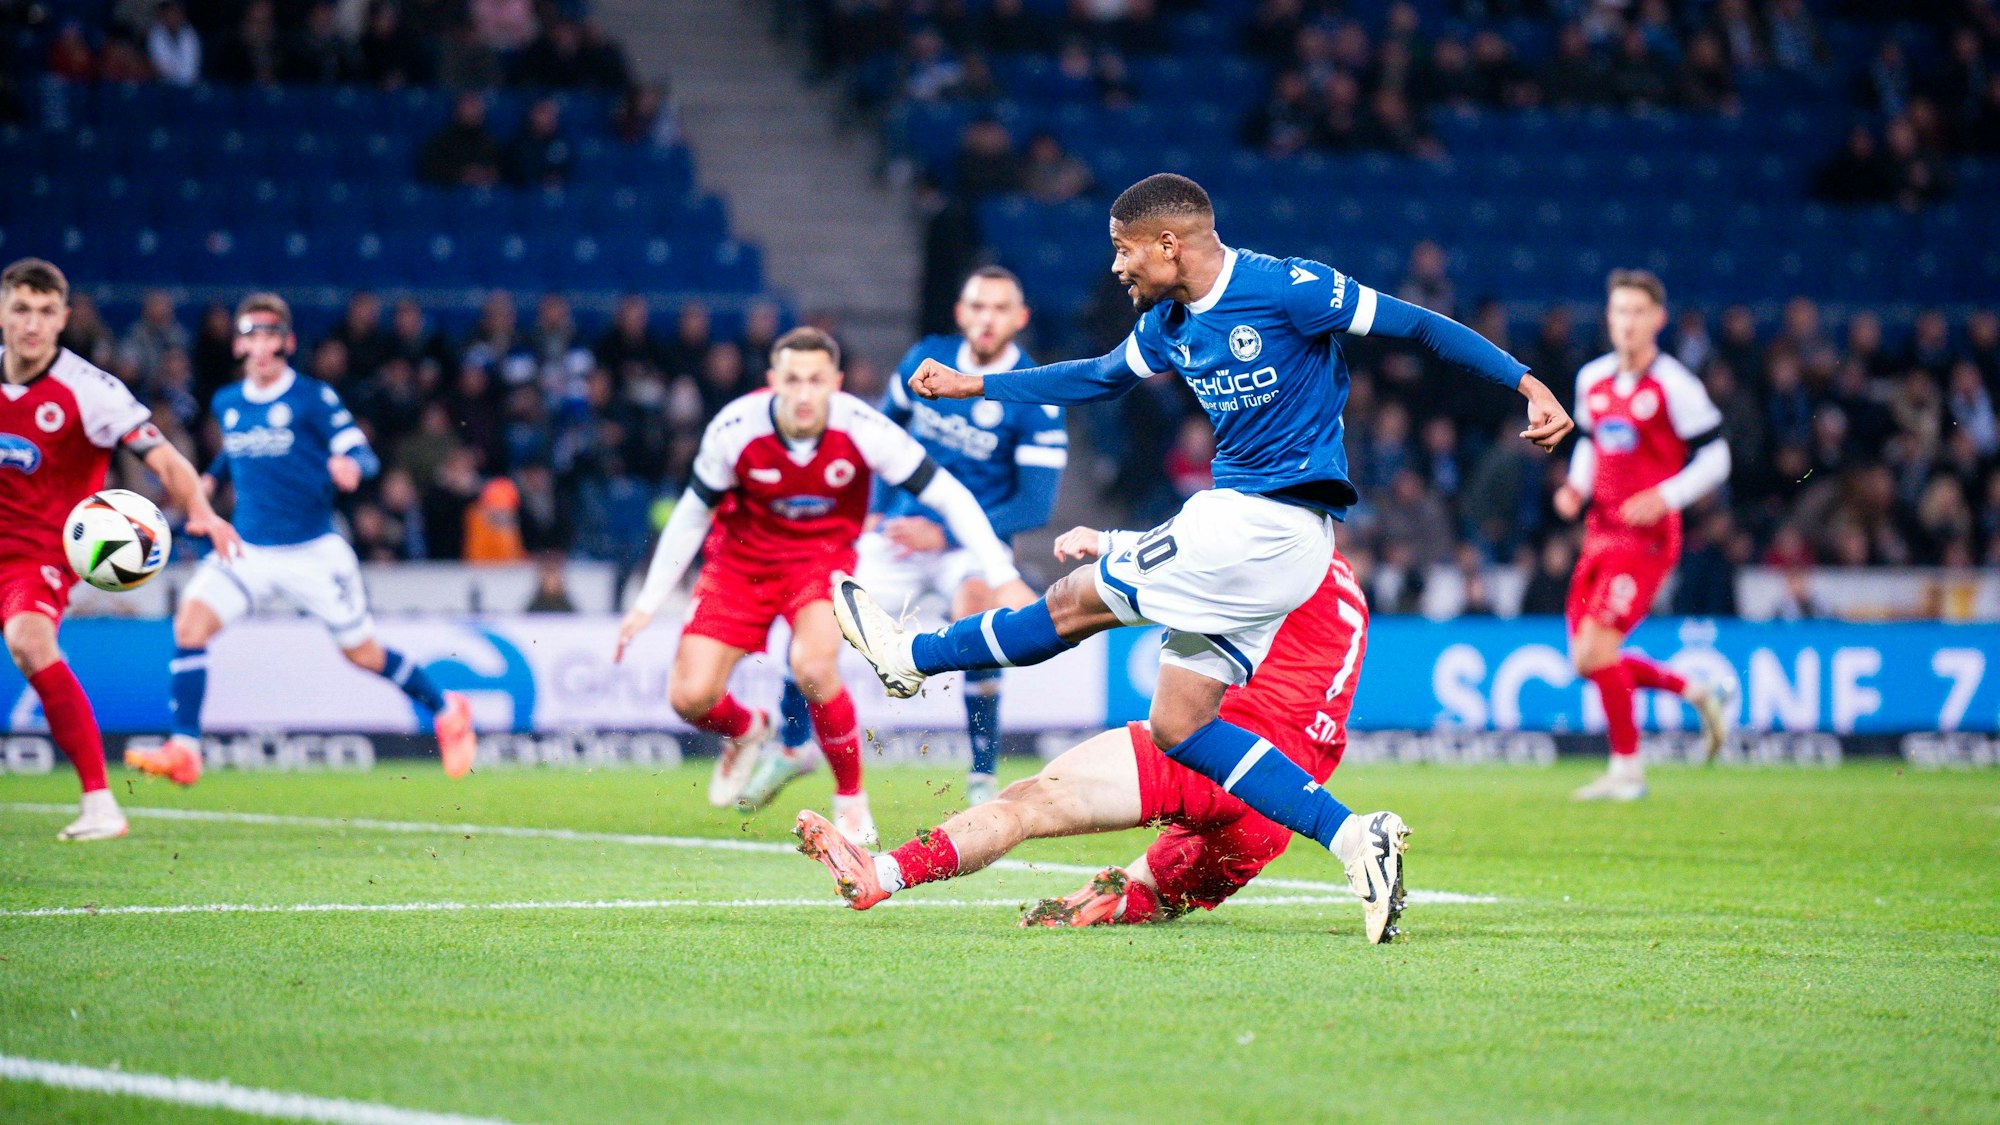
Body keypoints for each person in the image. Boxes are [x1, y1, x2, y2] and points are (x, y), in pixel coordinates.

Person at [832, 174, 1572, 943]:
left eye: (1123, 252)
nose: (1117, 268)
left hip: (1263, 523)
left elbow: (1420, 326)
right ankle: (1357, 837)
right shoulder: (1169, 324)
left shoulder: (1289, 289)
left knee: (1074, 601)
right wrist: (976, 383)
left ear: (1167, 243)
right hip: (1273, 550)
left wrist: (1528, 383)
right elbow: (1095, 377)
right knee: (1180, 724)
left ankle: (910, 655)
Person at [798, 537, 1370, 929]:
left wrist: (1113, 547)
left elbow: (1184, 563)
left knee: (1025, 805)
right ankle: (1121, 901)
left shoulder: (1275, 550)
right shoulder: (1347, 593)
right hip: (1277, 814)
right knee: (1144, 891)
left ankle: (882, 873)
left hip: (1218, 751)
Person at [613, 329, 1028, 848]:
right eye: (792, 380)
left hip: (820, 560)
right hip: (739, 564)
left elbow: (948, 495)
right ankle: (748, 731)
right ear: (772, 382)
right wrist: (648, 603)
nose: (805, 393)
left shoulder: (863, 427)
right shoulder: (735, 428)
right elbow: (693, 513)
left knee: (812, 665)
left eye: (816, 381)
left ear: (835, 383)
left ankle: (850, 799)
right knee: (690, 697)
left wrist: (1001, 573)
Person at [127, 294, 476, 788]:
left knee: (362, 654)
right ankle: (185, 749)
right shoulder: (228, 402)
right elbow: (233, 455)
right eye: (252, 335)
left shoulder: (313, 398)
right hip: (247, 549)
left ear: (288, 342)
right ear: (239, 345)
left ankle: (448, 707)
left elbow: (360, 450)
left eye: (271, 335)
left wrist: (352, 465)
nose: (262, 345)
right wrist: (204, 486)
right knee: (190, 624)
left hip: (312, 552)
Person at [761, 268, 1063, 810]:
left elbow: (1033, 504)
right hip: (898, 532)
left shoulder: (1033, 393)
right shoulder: (925, 361)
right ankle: (789, 746)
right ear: (960, 313)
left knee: (978, 607)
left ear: (1019, 319)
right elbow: (881, 435)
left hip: (973, 543)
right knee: (817, 607)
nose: (987, 318)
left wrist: (944, 531)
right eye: (978, 306)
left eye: (1000, 308)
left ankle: (981, 777)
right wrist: (872, 511)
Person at [0, 259, 243, 840]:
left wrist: (202, 511)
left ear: (63, 319)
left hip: (40, 553)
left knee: (28, 640)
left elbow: (163, 458)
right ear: (3, 313)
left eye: (44, 312)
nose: (32, 324)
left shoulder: (91, 391)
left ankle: (100, 804)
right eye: (20, 310)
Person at [1553, 271, 1734, 802]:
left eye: (1637, 312)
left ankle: (1627, 770)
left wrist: (1670, 495)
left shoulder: (1675, 384)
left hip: (1647, 539)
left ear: (1657, 319)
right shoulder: (1593, 380)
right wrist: (1576, 487)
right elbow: (1590, 443)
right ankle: (1695, 692)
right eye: (1618, 312)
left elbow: (1717, 455)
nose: (1627, 323)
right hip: (1599, 531)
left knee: (1599, 648)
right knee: (1587, 659)